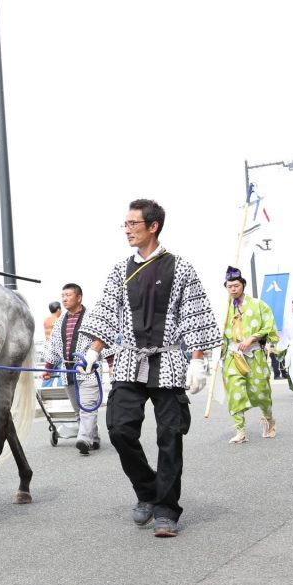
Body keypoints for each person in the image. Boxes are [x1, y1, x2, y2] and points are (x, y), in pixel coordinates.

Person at [80, 199, 220, 538]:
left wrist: (197, 360)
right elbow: (107, 310)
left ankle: (167, 509)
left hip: (170, 359)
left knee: (170, 435)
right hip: (129, 360)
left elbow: (196, 315)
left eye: (133, 224)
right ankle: (149, 491)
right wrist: (94, 351)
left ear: (152, 226)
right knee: (119, 430)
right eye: (125, 224)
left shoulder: (181, 268)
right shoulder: (119, 270)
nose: (127, 229)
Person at [219, 267, 278, 444]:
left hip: (253, 353)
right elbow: (218, 332)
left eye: (236, 285)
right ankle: (240, 431)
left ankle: (269, 419)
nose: (233, 289)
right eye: (229, 286)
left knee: (261, 392)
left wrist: (252, 338)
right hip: (233, 355)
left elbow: (269, 326)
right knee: (234, 391)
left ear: (243, 285)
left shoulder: (258, 304)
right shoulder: (224, 308)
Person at [41, 283, 101, 455]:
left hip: (88, 370)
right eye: (63, 296)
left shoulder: (93, 317)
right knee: (78, 410)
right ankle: (94, 438)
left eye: (68, 295)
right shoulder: (59, 321)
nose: (64, 299)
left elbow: (104, 341)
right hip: (67, 371)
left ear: (79, 297)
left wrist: (111, 366)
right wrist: (48, 369)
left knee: (87, 406)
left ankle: (83, 439)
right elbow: (53, 346)